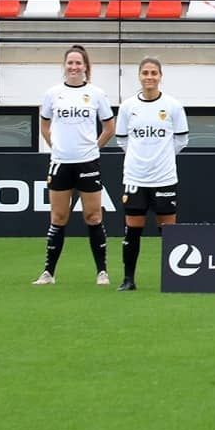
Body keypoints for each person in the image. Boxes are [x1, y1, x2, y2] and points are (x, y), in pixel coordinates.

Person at [33, 44, 116, 286]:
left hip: (88, 163)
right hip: (60, 163)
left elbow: (109, 127)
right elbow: (44, 125)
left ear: (86, 67)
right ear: (64, 66)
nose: (74, 67)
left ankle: (102, 272)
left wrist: (93, 147)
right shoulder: (52, 94)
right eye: (70, 62)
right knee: (58, 217)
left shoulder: (97, 94)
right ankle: (48, 273)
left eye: (78, 63)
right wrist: (55, 147)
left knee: (93, 216)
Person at [114, 57, 188, 291]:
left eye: (154, 73)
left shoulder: (173, 106)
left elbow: (181, 140)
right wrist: (141, 158)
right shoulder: (128, 107)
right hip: (135, 177)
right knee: (132, 230)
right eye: (145, 72)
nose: (149, 77)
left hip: (164, 177)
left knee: (168, 231)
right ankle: (128, 279)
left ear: (160, 76)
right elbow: (122, 140)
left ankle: (174, 278)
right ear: (139, 76)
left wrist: (161, 157)